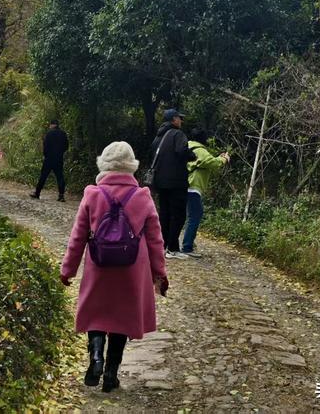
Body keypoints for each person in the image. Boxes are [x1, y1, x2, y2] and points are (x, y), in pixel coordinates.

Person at [60, 141, 168, 393]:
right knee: (121, 318)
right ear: (131, 167)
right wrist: (159, 273)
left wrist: (68, 270)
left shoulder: (93, 195)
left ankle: (95, 358)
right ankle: (111, 373)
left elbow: (78, 236)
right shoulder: (142, 197)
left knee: (97, 312)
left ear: (104, 164)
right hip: (132, 269)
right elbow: (155, 239)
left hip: (99, 265)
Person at [149, 109, 196, 260]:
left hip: (160, 182)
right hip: (176, 181)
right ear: (174, 119)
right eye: (180, 118)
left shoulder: (158, 137)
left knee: (165, 213)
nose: (181, 121)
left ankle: (162, 246)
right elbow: (182, 150)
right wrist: (192, 155)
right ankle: (173, 248)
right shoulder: (178, 134)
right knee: (178, 214)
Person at [182, 129, 230, 258]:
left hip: (183, 184)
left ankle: (181, 243)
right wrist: (223, 159)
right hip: (193, 186)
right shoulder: (200, 149)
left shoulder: (186, 146)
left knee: (186, 216)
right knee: (195, 215)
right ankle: (187, 246)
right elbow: (211, 162)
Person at [30, 119, 69, 201]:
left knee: (43, 176)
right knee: (60, 177)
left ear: (52, 125)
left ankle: (37, 193)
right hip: (59, 159)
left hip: (49, 159)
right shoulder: (63, 133)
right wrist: (60, 153)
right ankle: (61, 196)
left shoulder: (49, 134)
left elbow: (45, 146)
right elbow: (66, 146)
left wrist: (46, 155)